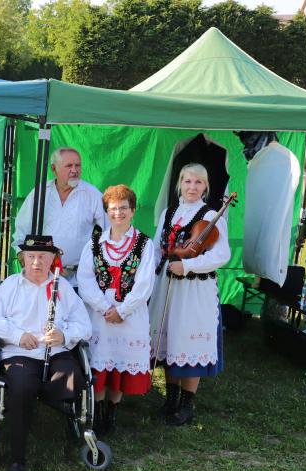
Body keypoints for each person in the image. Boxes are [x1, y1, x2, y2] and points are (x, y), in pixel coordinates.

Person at [0, 235, 91, 471]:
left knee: (72, 380)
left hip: (56, 352)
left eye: (42, 257)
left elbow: (84, 325)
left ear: (52, 260)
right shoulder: (11, 285)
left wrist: (64, 335)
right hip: (19, 354)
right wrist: (17, 335)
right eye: (31, 257)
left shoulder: (62, 287)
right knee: (22, 386)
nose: (36, 262)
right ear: (23, 259)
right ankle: (17, 459)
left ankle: (36, 397)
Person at [149, 163, 230, 426]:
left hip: (194, 288)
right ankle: (170, 398)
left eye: (198, 182)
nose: (192, 187)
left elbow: (221, 255)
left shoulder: (212, 216)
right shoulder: (169, 212)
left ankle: (186, 404)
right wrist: (150, 277)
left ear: (205, 186)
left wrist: (188, 265)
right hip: (167, 283)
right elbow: (156, 248)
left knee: (189, 341)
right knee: (170, 339)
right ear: (179, 184)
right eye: (187, 181)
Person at [76, 185, 155, 436]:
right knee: (100, 364)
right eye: (113, 208)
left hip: (130, 316)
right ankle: (98, 411)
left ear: (132, 211)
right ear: (106, 211)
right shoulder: (94, 244)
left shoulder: (145, 244)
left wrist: (123, 310)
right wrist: (104, 307)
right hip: (100, 316)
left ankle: (111, 412)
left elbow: (144, 284)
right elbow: (85, 279)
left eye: (123, 208)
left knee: (121, 362)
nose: (118, 213)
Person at [13, 147, 107, 288]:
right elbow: (22, 228)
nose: (74, 170)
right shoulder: (41, 192)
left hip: (78, 280)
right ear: (54, 168)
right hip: (41, 278)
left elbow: (110, 231)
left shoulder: (91, 194)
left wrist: (96, 263)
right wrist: (21, 254)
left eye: (77, 165)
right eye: (69, 166)